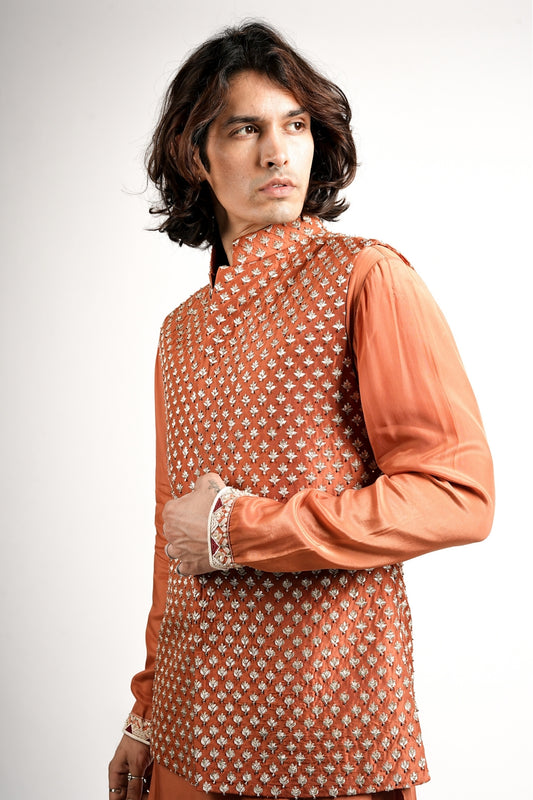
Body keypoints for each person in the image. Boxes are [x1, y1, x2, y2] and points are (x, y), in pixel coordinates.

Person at [108, 21, 494, 800]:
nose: (277, 153)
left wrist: (239, 529)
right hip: (190, 722)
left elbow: (457, 496)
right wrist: (145, 713)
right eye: (245, 128)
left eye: (295, 126)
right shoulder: (180, 330)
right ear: (195, 153)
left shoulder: (365, 277)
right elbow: (174, 537)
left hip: (326, 727)